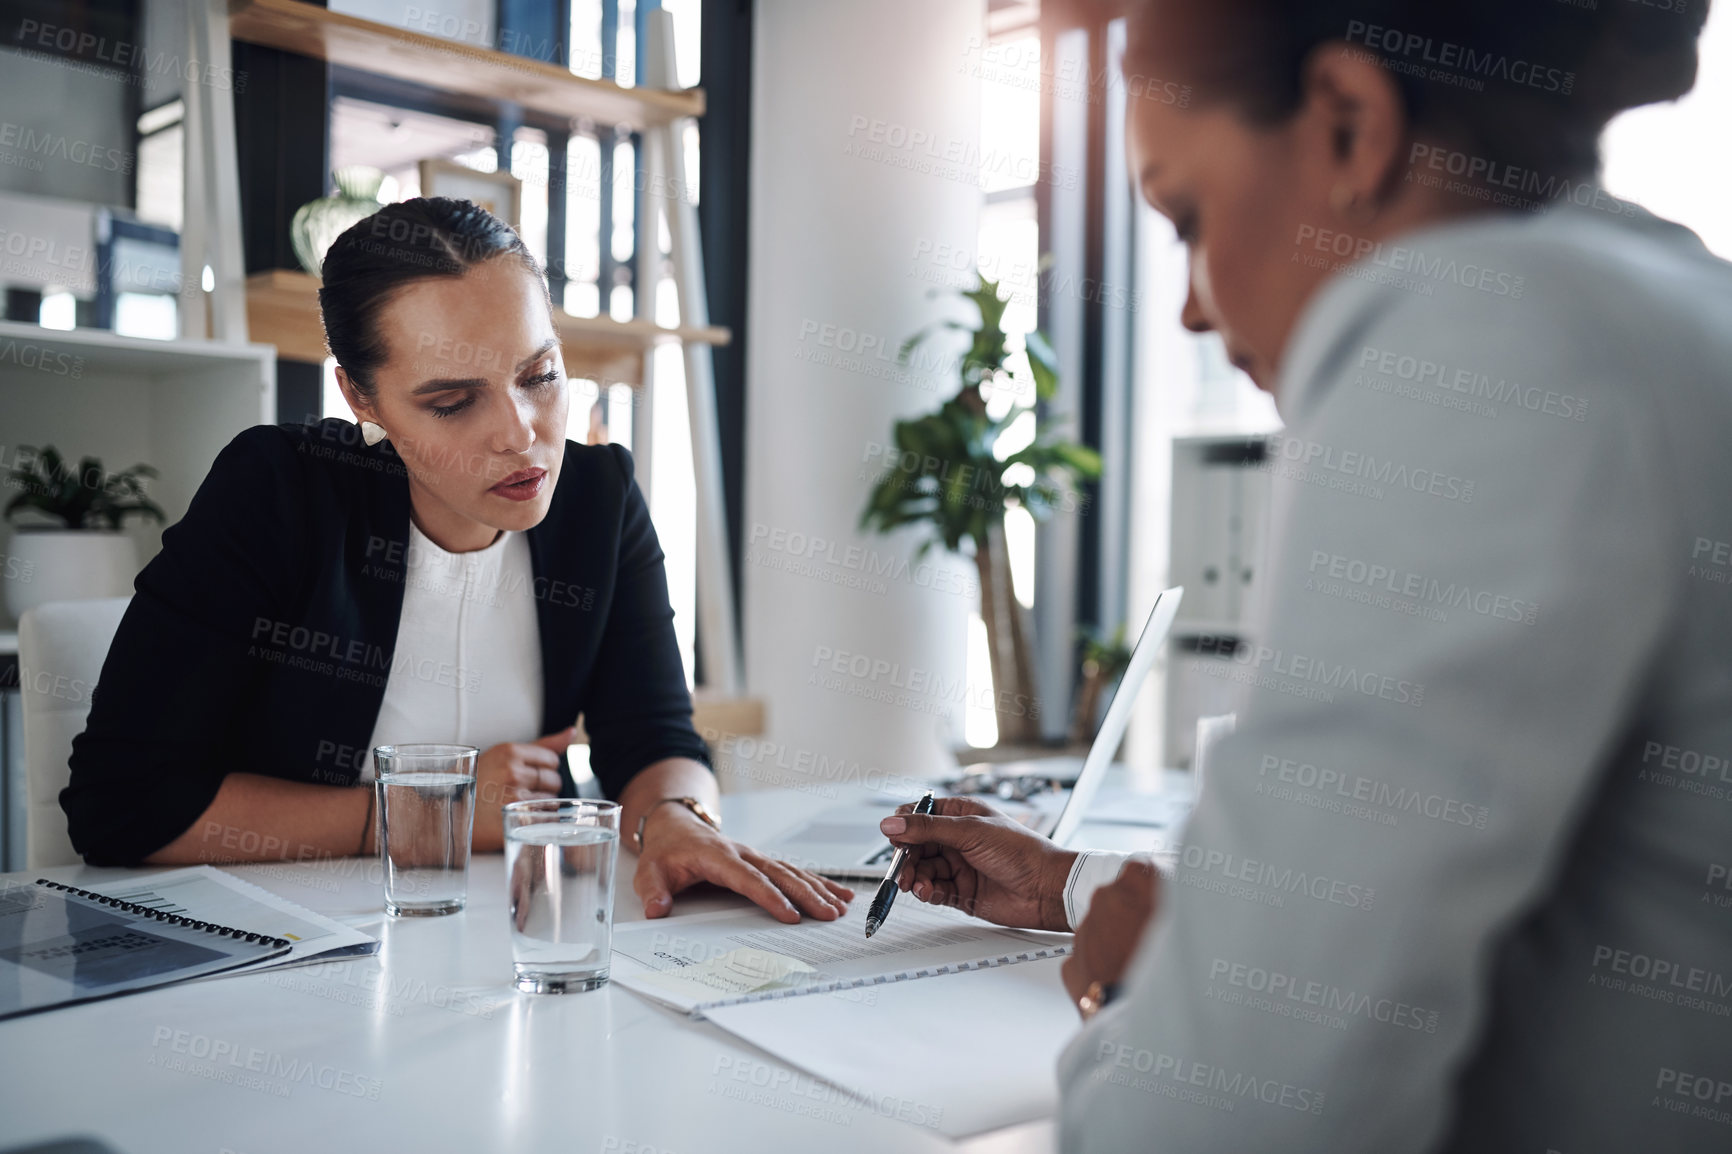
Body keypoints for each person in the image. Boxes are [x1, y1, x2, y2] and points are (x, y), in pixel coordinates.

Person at [881, 1, 1730, 1150]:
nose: (1186, 303)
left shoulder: (1483, 345)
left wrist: (1127, 1005)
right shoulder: (1671, 306)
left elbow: (1224, 1123)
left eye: (1184, 214)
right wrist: (1074, 890)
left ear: (1346, 123)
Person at [60, 198, 852, 924]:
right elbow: (122, 804)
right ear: (361, 398)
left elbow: (654, 740)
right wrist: (426, 815)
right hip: (285, 941)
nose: (520, 432)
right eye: (451, 402)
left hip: (509, 928)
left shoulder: (597, 502)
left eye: (540, 375)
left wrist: (676, 818)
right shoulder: (277, 493)